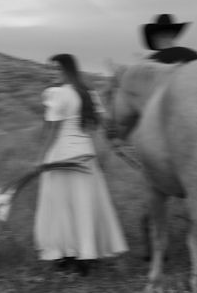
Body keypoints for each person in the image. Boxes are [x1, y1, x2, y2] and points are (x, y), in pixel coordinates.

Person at [33, 53, 128, 275]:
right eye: (49, 69)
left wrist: (40, 158)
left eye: (55, 70)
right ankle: (87, 253)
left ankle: (67, 255)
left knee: (61, 206)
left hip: (61, 156)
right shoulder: (88, 93)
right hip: (86, 155)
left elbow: (52, 131)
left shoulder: (57, 94)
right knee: (85, 204)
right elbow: (104, 124)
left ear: (66, 70)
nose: (51, 73)